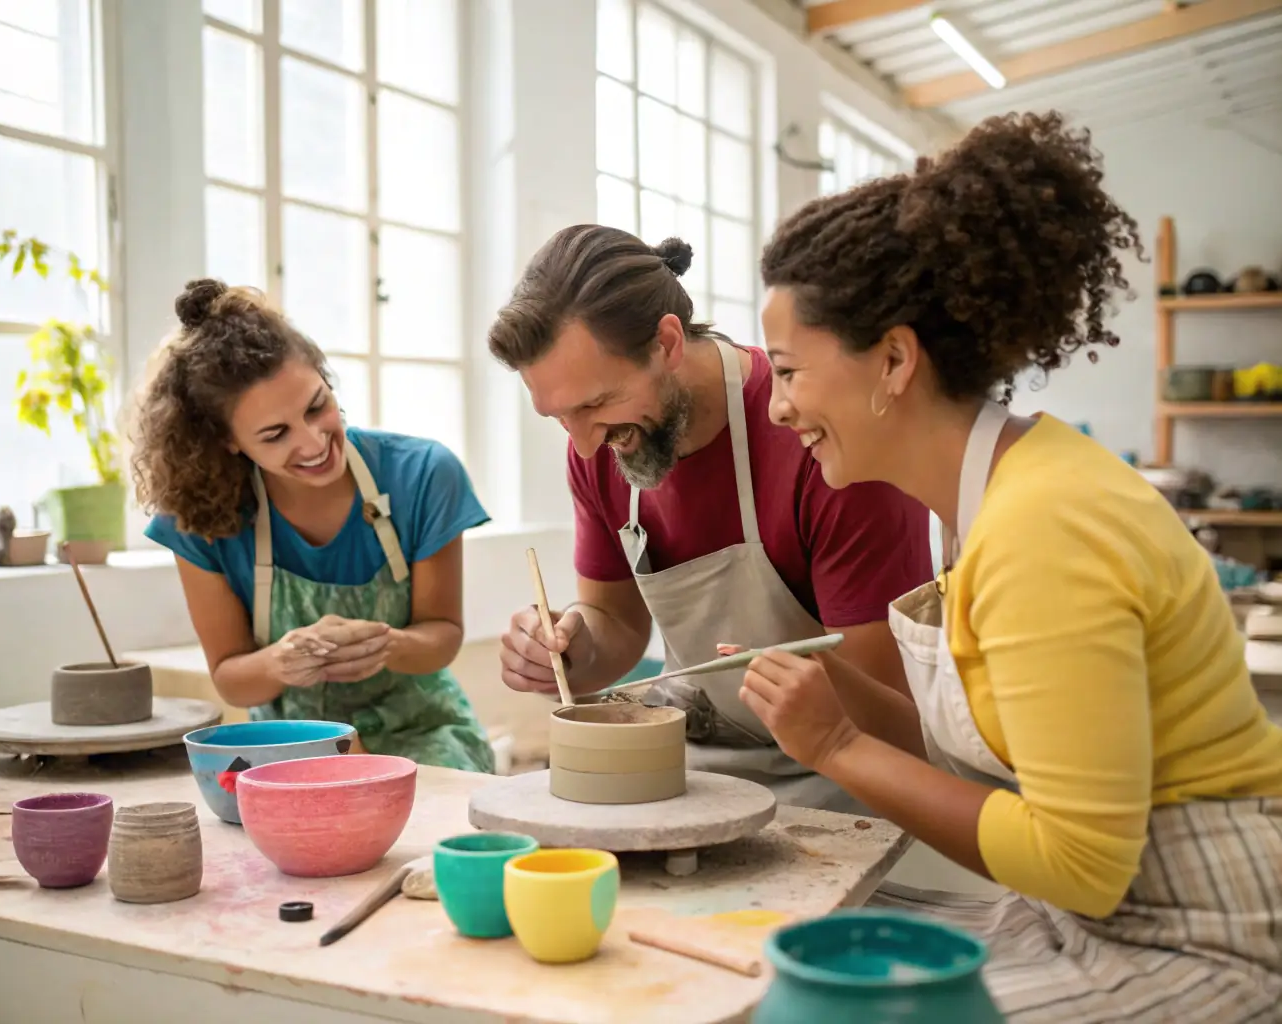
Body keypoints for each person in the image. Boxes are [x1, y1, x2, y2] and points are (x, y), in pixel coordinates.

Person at [735, 111, 1282, 1022]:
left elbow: (1080, 861)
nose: (780, 407)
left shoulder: (1043, 526)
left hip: (1197, 926)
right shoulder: (989, 495)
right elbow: (978, 738)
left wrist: (836, 749)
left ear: (894, 360)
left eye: (788, 372)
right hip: (1089, 913)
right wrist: (821, 680)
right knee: (762, 969)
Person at [487, 225, 933, 810]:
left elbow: (893, 719)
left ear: (667, 344)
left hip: (841, 781)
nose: (586, 445)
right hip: (695, 772)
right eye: (558, 417)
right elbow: (615, 623)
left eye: (596, 403)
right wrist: (572, 648)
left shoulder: (818, 442)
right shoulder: (597, 448)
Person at [130, 278, 495, 774]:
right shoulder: (199, 518)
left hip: (424, 735)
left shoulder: (424, 474)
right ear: (228, 442)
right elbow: (233, 680)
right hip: (288, 750)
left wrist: (388, 644)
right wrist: (280, 661)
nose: (313, 443)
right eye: (275, 434)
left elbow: (443, 636)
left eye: (316, 405)